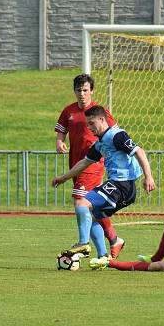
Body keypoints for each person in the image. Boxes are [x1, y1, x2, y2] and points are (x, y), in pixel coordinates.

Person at [51, 105, 155, 269]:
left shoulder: (116, 135)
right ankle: (103, 256)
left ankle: (84, 244)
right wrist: (63, 178)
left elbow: (139, 151)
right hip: (121, 187)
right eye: (88, 124)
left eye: (92, 123)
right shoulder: (100, 143)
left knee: (81, 203)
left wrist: (148, 177)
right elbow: (85, 162)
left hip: (122, 185)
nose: (90, 127)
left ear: (102, 120)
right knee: (91, 216)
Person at [55, 74, 125, 259]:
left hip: (93, 163)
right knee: (90, 208)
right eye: (79, 90)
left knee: (80, 202)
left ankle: (83, 244)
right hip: (77, 165)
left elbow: (115, 133)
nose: (82, 94)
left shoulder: (99, 112)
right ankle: (105, 251)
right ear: (75, 91)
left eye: (85, 90)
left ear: (91, 91)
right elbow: (61, 130)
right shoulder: (68, 111)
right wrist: (59, 142)